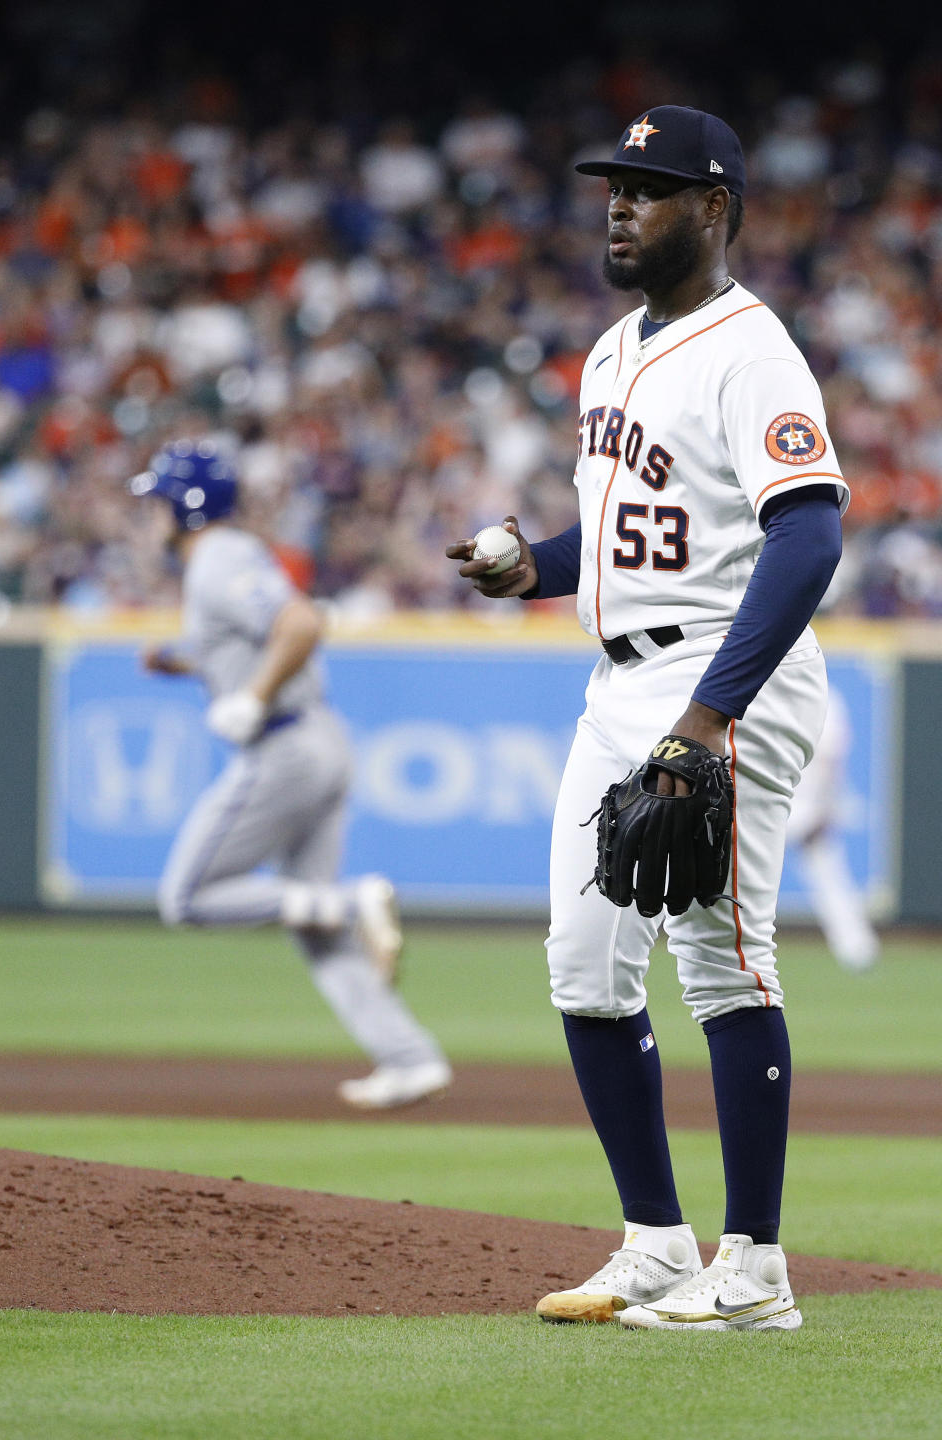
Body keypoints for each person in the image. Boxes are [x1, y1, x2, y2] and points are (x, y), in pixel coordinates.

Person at [449, 106, 847, 1331]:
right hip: (617, 679)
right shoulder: (614, 349)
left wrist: (710, 718)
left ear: (716, 208)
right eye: (615, 186)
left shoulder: (753, 351)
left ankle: (759, 1274)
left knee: (724, 964)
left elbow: (809, 529)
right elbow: (633, 546)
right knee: (582, 965)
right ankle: (657, 1243)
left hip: (729, 677)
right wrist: (537, 565)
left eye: (652, 188)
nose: (621, 206)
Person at [130, 440, 451, 1109]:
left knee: (187, 896)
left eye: (159, 501)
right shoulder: (221, 559)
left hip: (288, 746)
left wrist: (251, 697)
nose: (151, 515)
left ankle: (352, 901)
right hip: (318, 739)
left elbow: (302, 622)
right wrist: (188, 664)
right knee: (311, 921)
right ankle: (409, 1058)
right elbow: (255, 640)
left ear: (188, 506)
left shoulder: (216, 558)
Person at [786, 686, 880, 972]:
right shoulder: (816, 693)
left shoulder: (825, 696)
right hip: (781, 799)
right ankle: (858, 950)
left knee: (828, 877)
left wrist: (825, 807)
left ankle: (858, 950)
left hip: (803, 803)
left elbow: (830, 760)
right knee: (829, 877)